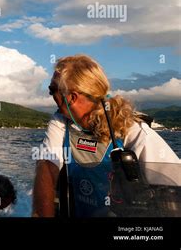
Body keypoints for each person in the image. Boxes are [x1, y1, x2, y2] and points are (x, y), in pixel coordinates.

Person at [32, 54, 180, 217]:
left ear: (71, 97)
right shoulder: (61, 122)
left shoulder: (133, 131)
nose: (50, 95)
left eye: (52, 90)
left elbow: (174, 187)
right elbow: (46, 166)